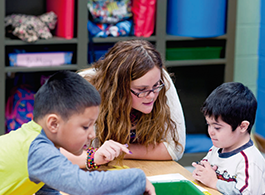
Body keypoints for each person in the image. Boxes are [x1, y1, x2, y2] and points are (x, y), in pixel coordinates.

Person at [0, 70, 155, 195]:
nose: (92, 134)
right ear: (53, 124)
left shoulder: (36, 139)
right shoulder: (38, 150)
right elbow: (86, 185)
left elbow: (46, 190)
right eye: (85, 127)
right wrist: (138, 178)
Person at [63, 39, 186, 167]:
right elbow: (53, 153)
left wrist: (121, 151)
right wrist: (94, 156)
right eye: (141, 90)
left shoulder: (158, 80)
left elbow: (175, 149)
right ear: (117, 88)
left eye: (156, 86)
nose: (151, 95)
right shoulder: (83, 89)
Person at [192, 82, 265, 195]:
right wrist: (201, 171)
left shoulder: (249, 161)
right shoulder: (216, 149)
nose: (210, 132)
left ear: (242, 126)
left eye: (217, 127)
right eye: (208, 125)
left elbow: (245, 193)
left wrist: (214, 182)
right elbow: (204, 171)